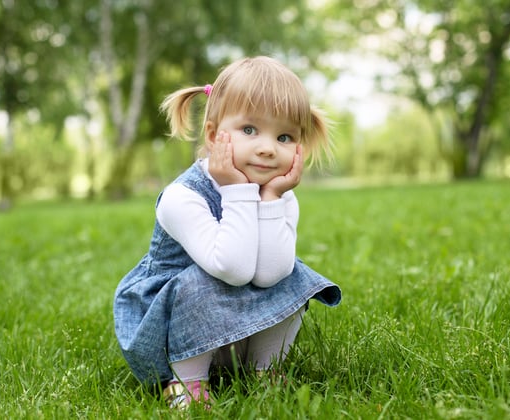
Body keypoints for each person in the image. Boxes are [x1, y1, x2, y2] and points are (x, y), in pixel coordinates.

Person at [113, 56, 342, 409]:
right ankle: (187, 384)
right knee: (202, 280)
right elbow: (230, 268)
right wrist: (237, 191)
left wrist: (268, 200)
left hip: (230, 328)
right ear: (212, 134)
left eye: (284, 136)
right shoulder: (182, 196)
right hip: (166, 333)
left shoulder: (278, 193)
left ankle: (263, 370)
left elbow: (271, 275)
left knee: (292, 271)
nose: (267, 147)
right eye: (249, 130)